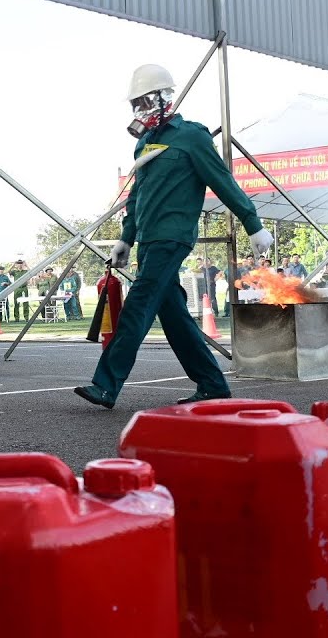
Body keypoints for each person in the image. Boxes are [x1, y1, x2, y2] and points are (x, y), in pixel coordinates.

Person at [75, 64, 272, 409]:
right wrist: (126, 238)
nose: (139, 110)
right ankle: (212, 384)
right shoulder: (145, 145)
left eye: (144, 101)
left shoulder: (192, 136)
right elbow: (137, 196)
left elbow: (221, 181)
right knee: (174, 316)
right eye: (135, 104)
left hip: (173, 237)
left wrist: (252, 223)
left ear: (165, 98)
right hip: (149, 241)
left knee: (137, 307)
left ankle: (106, 384)